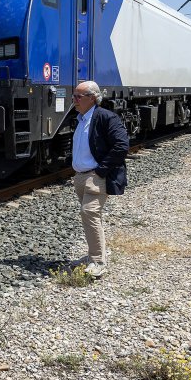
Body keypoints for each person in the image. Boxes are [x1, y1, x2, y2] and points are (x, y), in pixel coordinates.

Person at [70, 80, 129, 278]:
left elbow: (121, 145)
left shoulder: (106, 117)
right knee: (89, 218)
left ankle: (97, 262)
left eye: (78, 96)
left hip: (96, 177)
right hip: (81, 177)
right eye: (74, 96)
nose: (74, 100)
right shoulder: (80, 119)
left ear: (92, 98)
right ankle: (93, 255)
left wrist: (101, 171)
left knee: (89, 213)